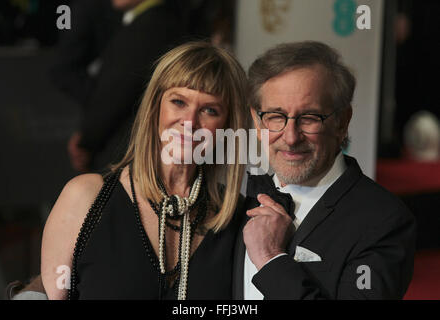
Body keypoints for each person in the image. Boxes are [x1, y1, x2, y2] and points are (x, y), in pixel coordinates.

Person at [41, 41, 249, 299]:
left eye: (209, 110)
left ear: (229, 125)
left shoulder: (236, 217)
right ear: (155, 108)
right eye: (179, 102)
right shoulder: (85, 197)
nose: (190, 122)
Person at [232, 41, 416, 300]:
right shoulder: (237, 207)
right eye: (276, 116)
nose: (291, 137)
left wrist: (270, 259)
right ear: (257, 121)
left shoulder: (384, 222)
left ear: (342, 122)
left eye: (309, 117)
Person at [67, 0, 184, 173]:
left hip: (125, 158)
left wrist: (86, 140)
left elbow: (114, 94)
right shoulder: (154, 22)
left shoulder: (151, 26)